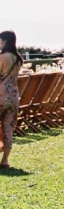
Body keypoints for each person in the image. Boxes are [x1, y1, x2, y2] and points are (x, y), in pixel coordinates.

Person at [0, 30, 23, 169]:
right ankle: (5, 160)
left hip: (1, 95)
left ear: (4, 41)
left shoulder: (2, 57)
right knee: (8, 127)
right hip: (14, 95)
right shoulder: (18, 59)